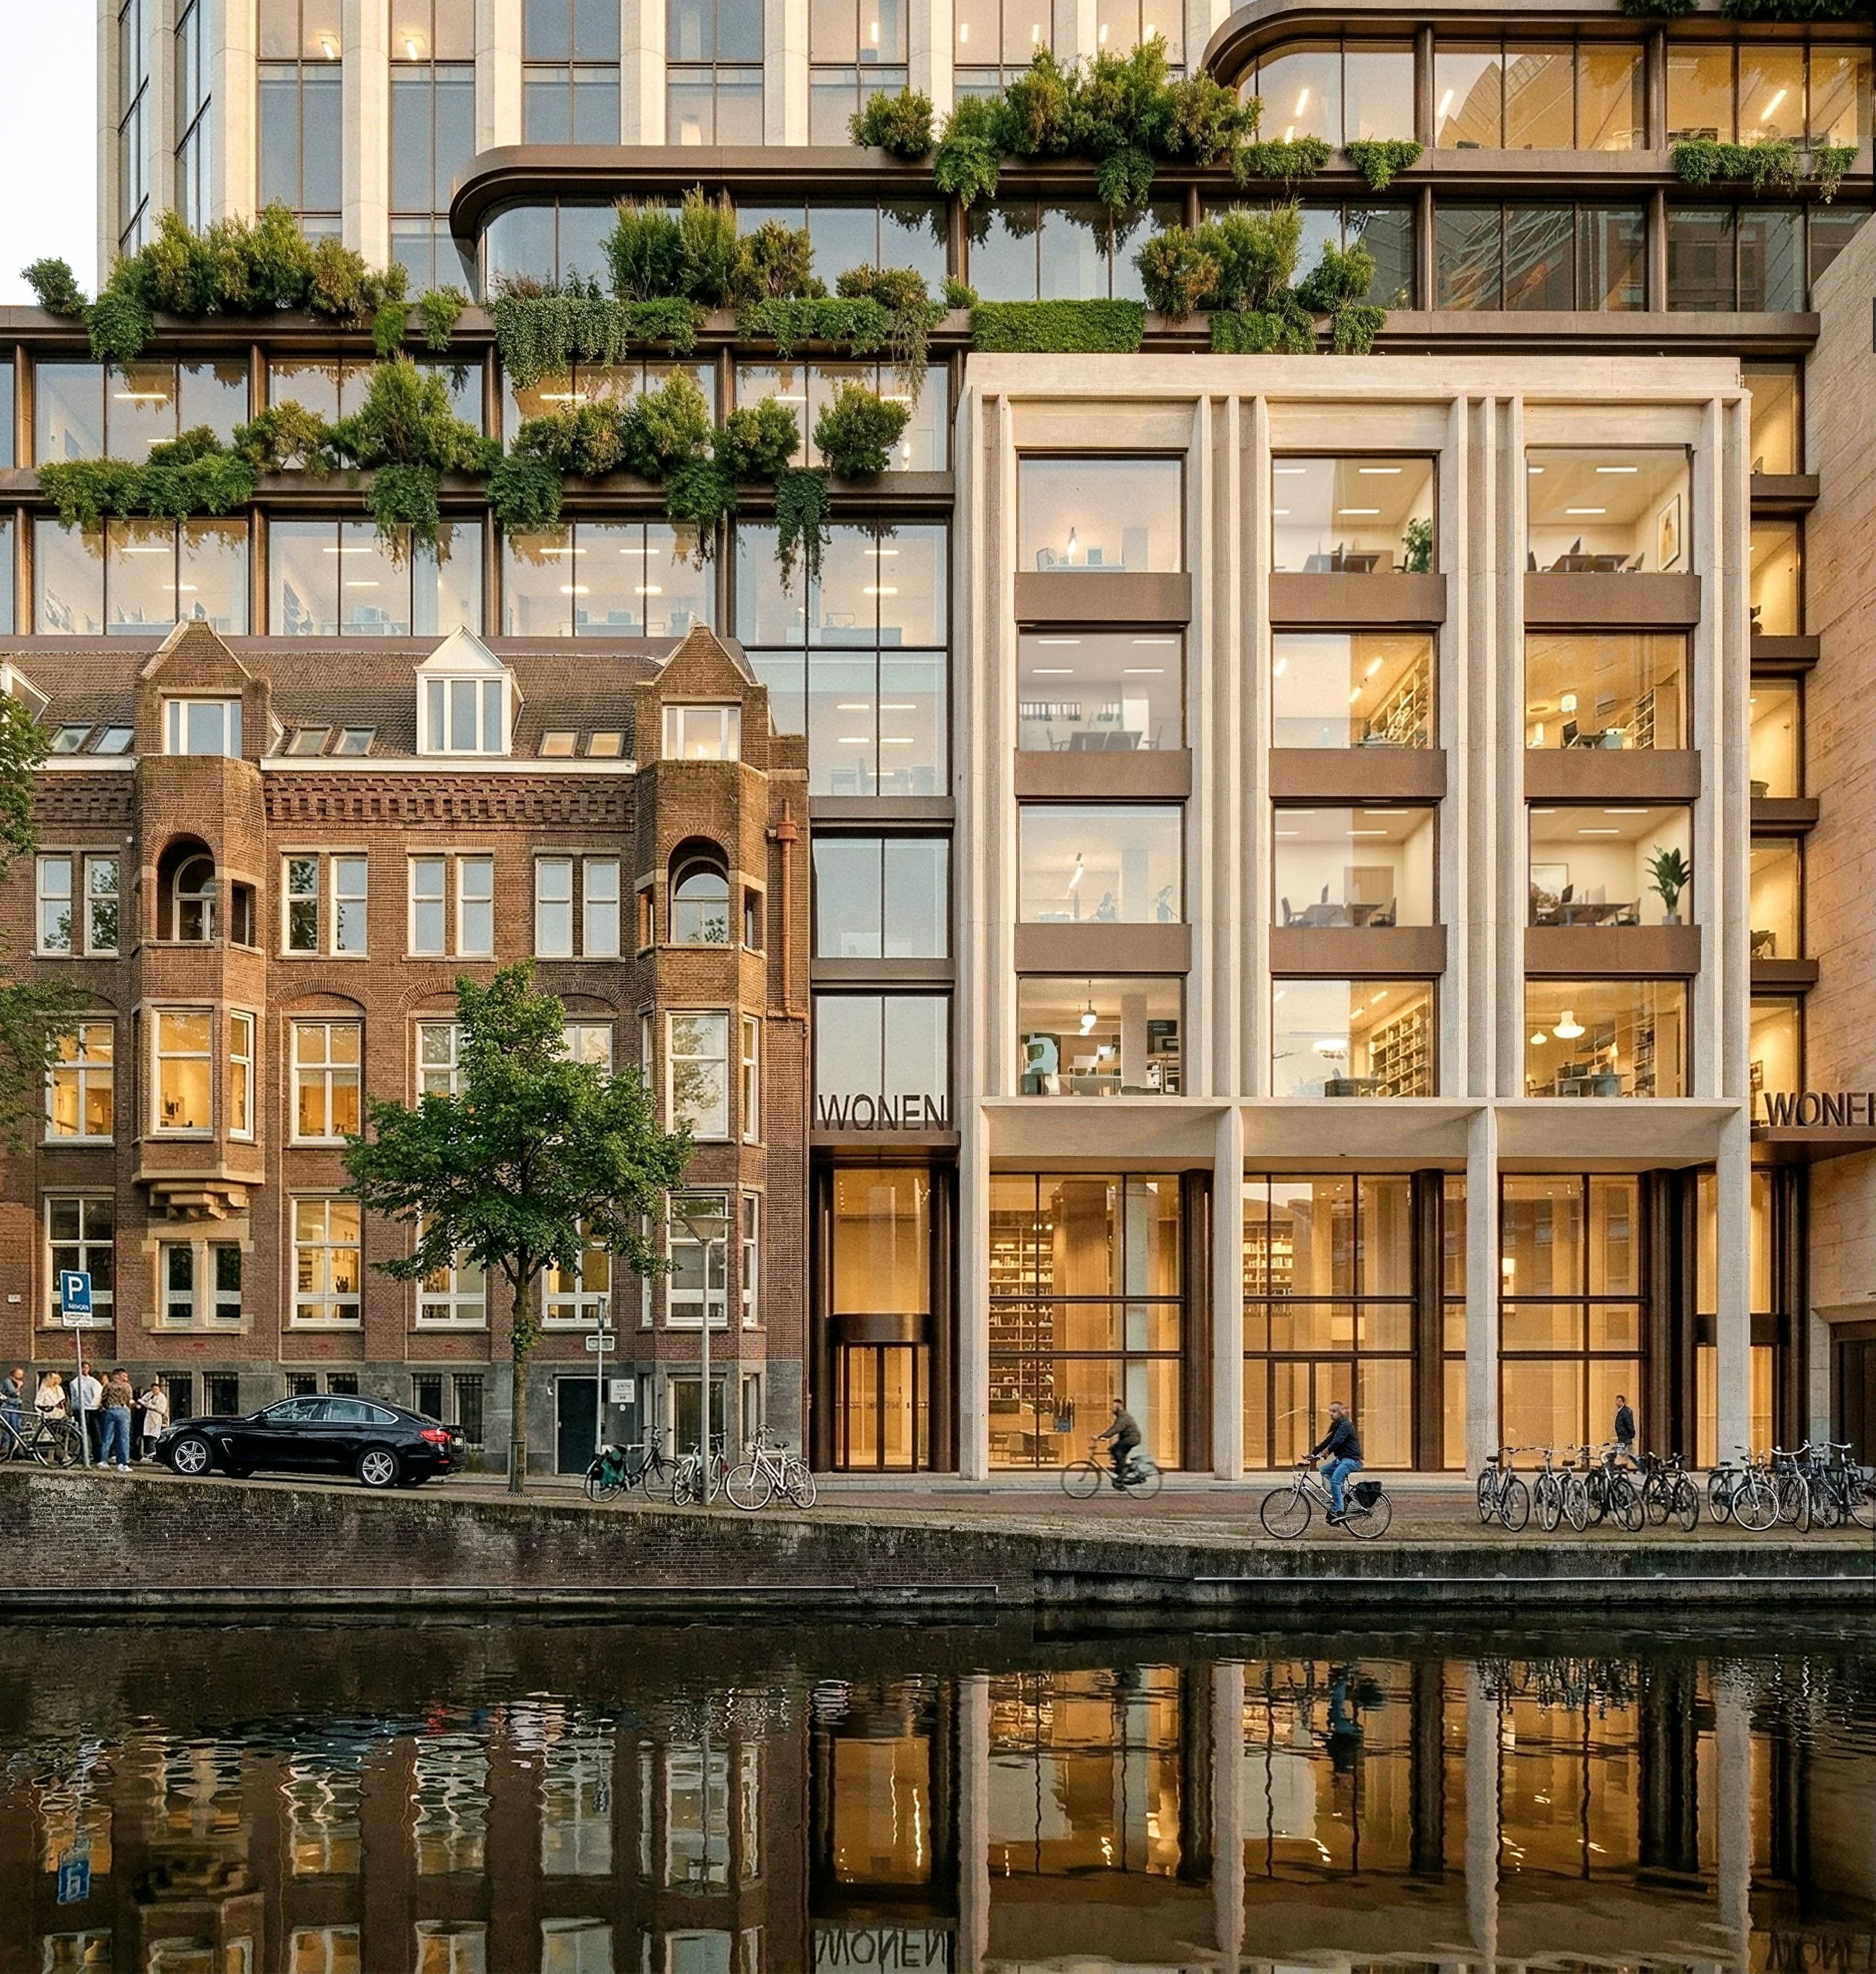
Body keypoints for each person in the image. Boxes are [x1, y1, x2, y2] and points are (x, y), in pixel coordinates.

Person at [1309, 1399, 1364, 1524]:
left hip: (1350, 1460)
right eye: (1330, 1411)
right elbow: (1328, 1440)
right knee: (1324, 1471)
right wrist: (1313, 1454)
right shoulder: (1338, 1425)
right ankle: (1337, 1497)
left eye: (1334, 1411)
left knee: (1335, 1480)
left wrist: (1327, 1452)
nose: (1331, 1414)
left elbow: (1337, 1441)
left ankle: (1339, 1511)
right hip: (1341, 1460)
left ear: (1341, 1412)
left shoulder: (1346, 1425)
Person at [1096, 1399, 1142, 1490]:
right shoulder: (1121, 1416)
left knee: (1118, 1451)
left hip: (1131, 1439)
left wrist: (1102, 1436)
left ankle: (1120, 1478)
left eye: (1113, 1407)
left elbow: (1116, 1428)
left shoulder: (1123, 1417)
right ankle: (1122, 1469)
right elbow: (1115, 1429)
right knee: (1113, 1449)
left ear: (1118, 1407)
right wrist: (1104, 1437)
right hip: (1128, 1438)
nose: (1111, 1409)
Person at [99, 1368, 134, 1471]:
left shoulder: (108, 1386)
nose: (126, 1378)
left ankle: (103, 1460)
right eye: (124, 1376)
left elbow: (103, 1398)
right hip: (122, 1410)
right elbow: (129, 1398)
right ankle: (122, 1463)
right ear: (119, 1376)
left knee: (107, 1437)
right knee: (123, 1438)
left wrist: (107, 1406)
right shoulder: (126, 1386)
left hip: (110, 1410)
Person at [72, 1360, 102, 1463]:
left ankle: (97, 1455)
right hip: (80, 1409)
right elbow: (75, 1396)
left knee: (95, 1433)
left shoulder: (93, 1382)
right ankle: (82, 1454)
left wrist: (94, 1404)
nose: (85, 1370)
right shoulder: (75, 1382)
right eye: (83, 1367)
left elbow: (98, 1395)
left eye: (86, 1368)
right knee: (81, 1433)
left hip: (92, 1409)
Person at [140, 1376, 170, 1459]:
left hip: (157, 1419)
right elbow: (142, 1400)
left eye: (156, 1389)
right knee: (148, 1436)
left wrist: (149, 1405)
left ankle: (154, 1454)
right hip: (149, 1418)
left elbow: (162, 1410)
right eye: (153, 1389)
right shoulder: (150, 1395)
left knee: (155, 1437)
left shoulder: (162, 1397)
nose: (154, 1391)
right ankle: (147, 1453)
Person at [0, 1366, 23, 1441]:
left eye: (22, 1374)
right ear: (14, 1374)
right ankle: (6, 1447)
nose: (21, 1376)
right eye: (19, 1374)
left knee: (16, 1426)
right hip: (9, 1406)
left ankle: (15, 1445)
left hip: (16, 1405)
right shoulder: (8, 1381)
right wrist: (19, 1386)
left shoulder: (16, 1381)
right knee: (9, 1427)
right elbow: (13, 1392)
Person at [1613, 1393, 1637, 1465]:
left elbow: (1629, 1423)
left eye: (1618, 1401)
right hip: (1622, 1437)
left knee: (1619, 1451)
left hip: (1625, 1437)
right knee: (1627, 1453)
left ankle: (1641, 1467)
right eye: (1617, 1401)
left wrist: (1631, 1434)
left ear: (1622, 1402)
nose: (1617, 1403)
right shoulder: (1621, 1411)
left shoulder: (1625, 1411)